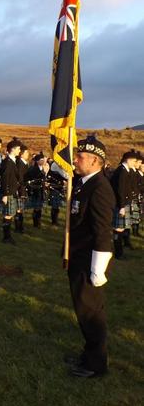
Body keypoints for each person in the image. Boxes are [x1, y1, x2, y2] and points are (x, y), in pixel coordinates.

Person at [65, 135, 115, 378]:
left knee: (91, 312)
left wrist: (98, 269)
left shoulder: (100, 188)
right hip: (78, 256)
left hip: (89, 261)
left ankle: (96, 364)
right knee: (83, 309)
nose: (75, 160)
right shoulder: (84, 182)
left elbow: (102, 230)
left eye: (80, 157)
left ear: (96, 161)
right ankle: (89, 354)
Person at [110, 149, 138, 259]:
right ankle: (118, 253)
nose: (135, 163)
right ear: (128, 160)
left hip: (123, 203)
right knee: (118, 229)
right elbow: (120, 190)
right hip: (119, 203)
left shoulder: (126, 170)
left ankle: (119, 252)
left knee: (121, 228)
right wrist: (121, 206)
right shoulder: (121, 171)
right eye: (134, 161)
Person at [0, 138, 22, 244]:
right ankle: (6, 237)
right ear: (13, 149)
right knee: (7, 214)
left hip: (11, 191)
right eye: (18, 149)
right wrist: (5, 194)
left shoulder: (12, 161)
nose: (19, 151)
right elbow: (5, 178)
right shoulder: (8, 162)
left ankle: (7, 236)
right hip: (8, 192)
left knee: (10, 213)